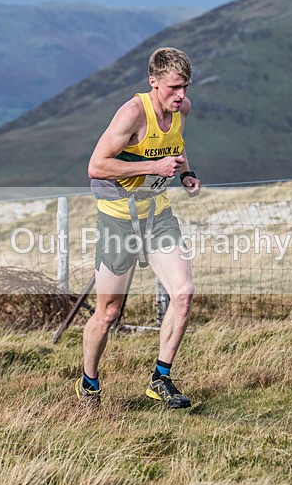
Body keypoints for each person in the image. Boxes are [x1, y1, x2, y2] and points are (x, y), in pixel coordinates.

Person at [78, 47, 201, 408]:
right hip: (118, 219)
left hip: (157, 215)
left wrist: (186, 173)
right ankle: (89, 382)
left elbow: (175, 148)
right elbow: (96, 166)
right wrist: (150, 168)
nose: (181, 95)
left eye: (186, 86)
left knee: (183, 294)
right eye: (173, 88)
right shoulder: (132, 113)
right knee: (109, 312)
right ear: (154, 82)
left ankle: (160, 379)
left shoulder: (183, 109)